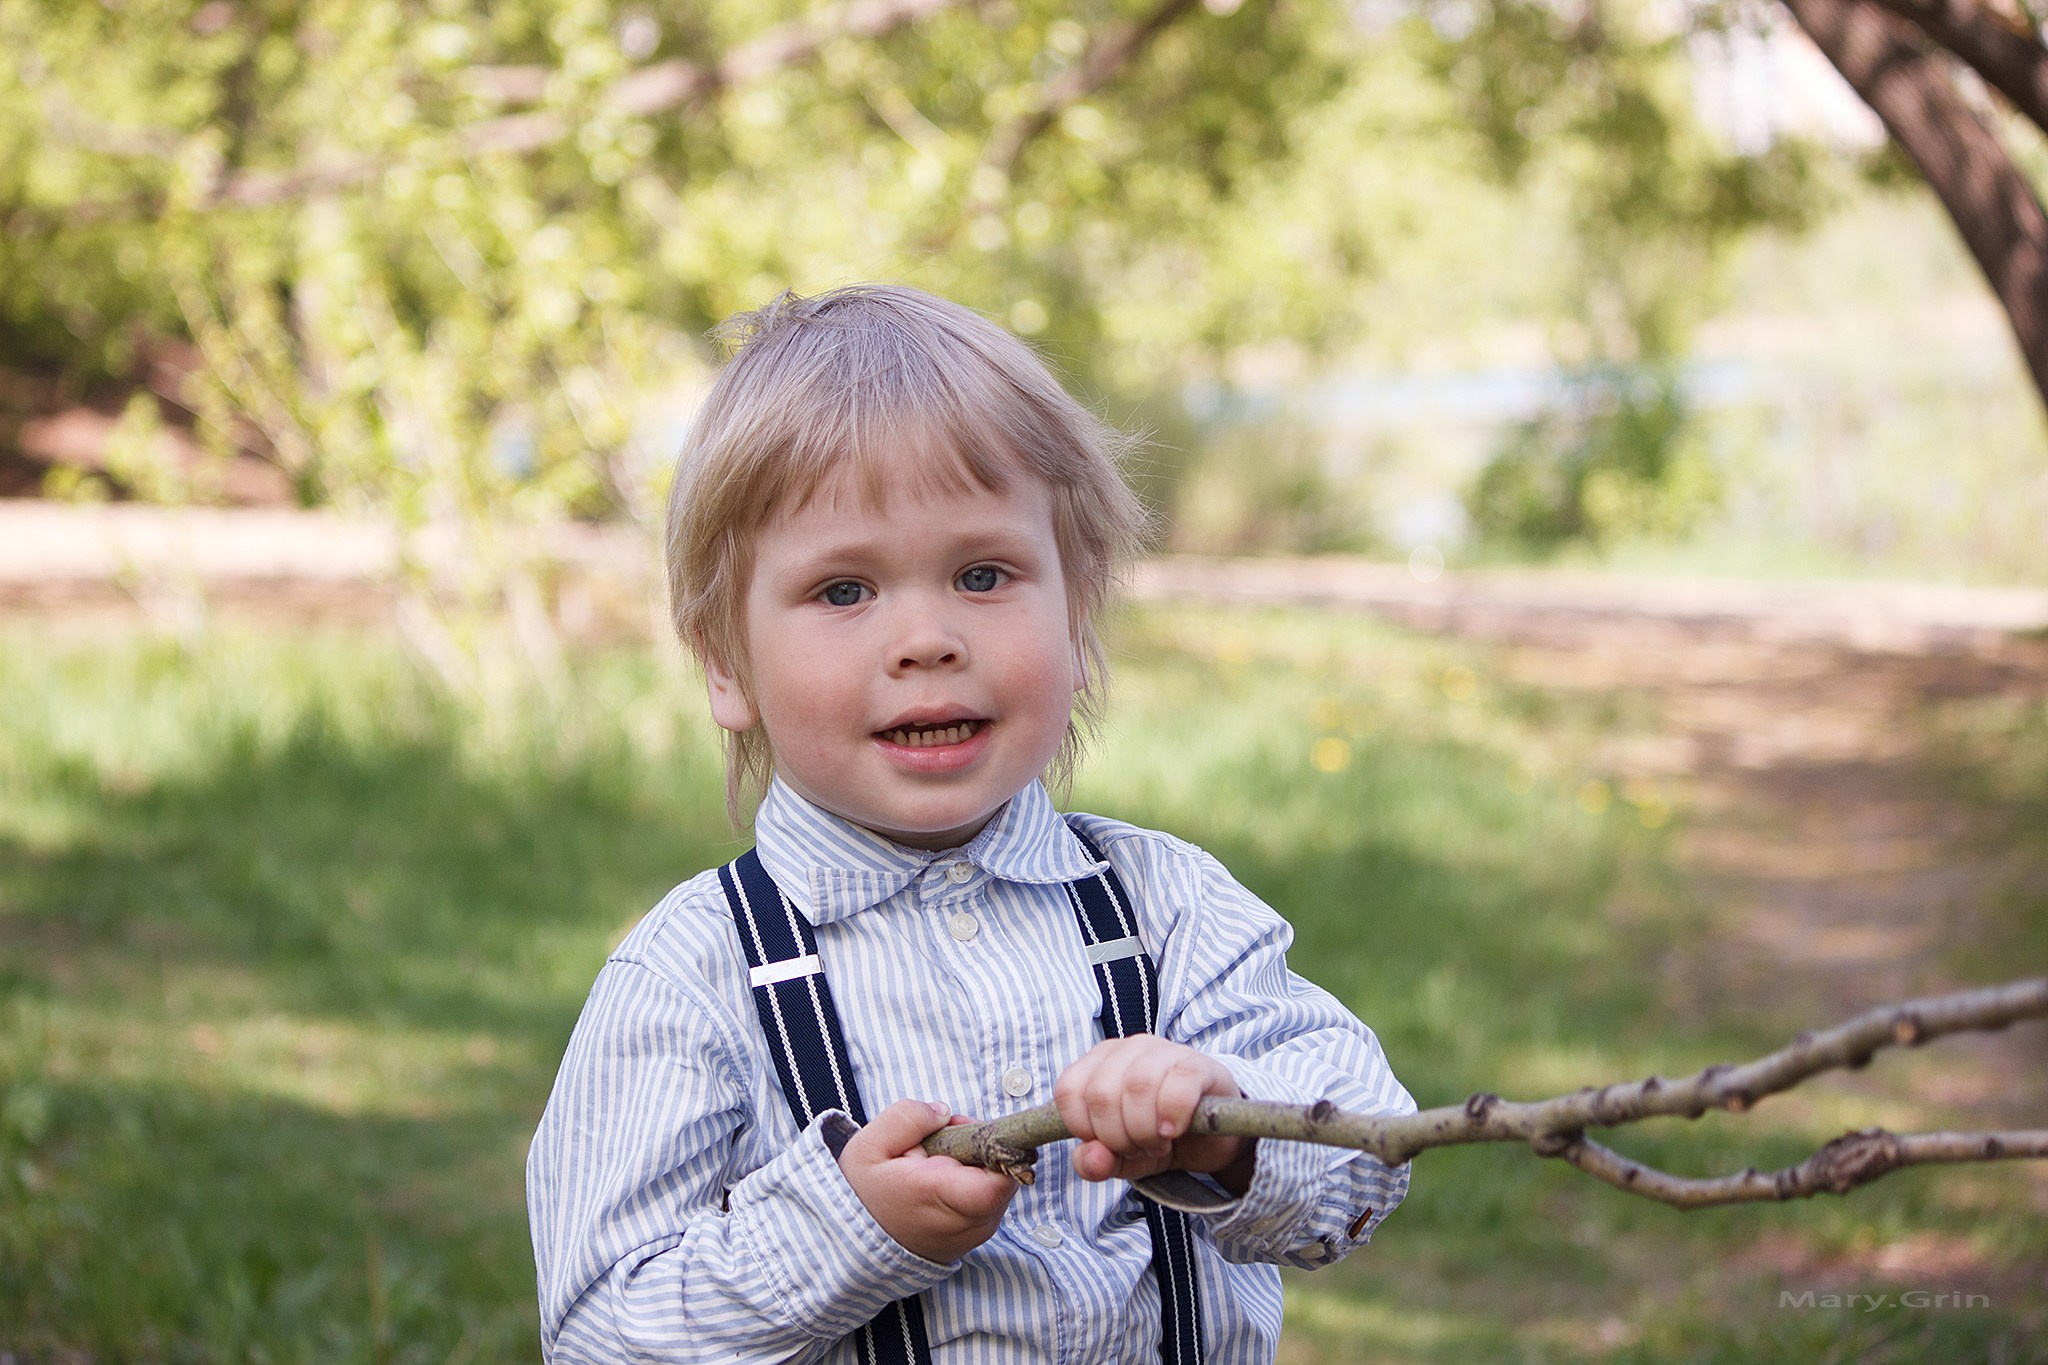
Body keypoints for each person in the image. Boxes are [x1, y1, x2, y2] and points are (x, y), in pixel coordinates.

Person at [526, 284, 1414, 1364]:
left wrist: (1226, 1132)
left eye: (982, 574)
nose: (926, 637)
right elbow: (600, 1336)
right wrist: (840, 1231)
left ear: (1076, 616)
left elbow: (1366, 1156)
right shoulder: (691, 980)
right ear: (725, 664)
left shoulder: (1166, 907)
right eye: (844, 591)